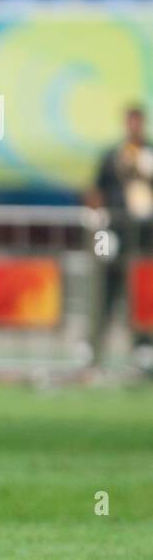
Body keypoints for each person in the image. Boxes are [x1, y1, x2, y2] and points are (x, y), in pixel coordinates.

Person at [87, 104, 153, 372]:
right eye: (130, 122)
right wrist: (98, 224)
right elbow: (96, 191)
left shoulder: (149, 153)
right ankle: (94, 349)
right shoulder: (112, 156)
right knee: (106, 291)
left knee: (142, 294)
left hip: (145, 238)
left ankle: (143, 350)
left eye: (138, 122)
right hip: (114, 233)